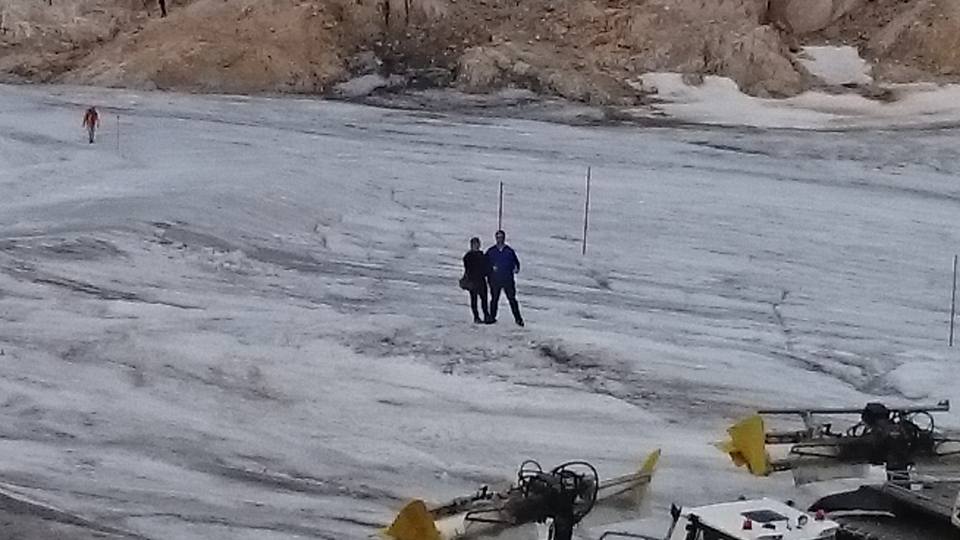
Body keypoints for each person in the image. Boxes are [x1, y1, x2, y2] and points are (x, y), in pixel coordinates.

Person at [486, 230, 523, 326]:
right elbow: (485, 264)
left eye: (501, 237)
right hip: (495, 280)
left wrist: (515, 268)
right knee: (494, 299)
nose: (500, 239)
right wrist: (491, 269)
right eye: (498, 237)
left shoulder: (509, 251)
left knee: (512, 299)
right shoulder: (491, 251)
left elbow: (516, 264)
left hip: (507, 280)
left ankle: (518, 319)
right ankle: (492, 317)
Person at [462, 237, 492, 324]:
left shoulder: (482, 255)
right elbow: (468, 268)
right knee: (474, 299)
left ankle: (486, 315)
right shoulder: (468, 256)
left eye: (477, 244)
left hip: (481, 280)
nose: (476, 246)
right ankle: (476, 317)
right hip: (472, 280)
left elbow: (486, 267)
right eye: (474, 244)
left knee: (484, 299)